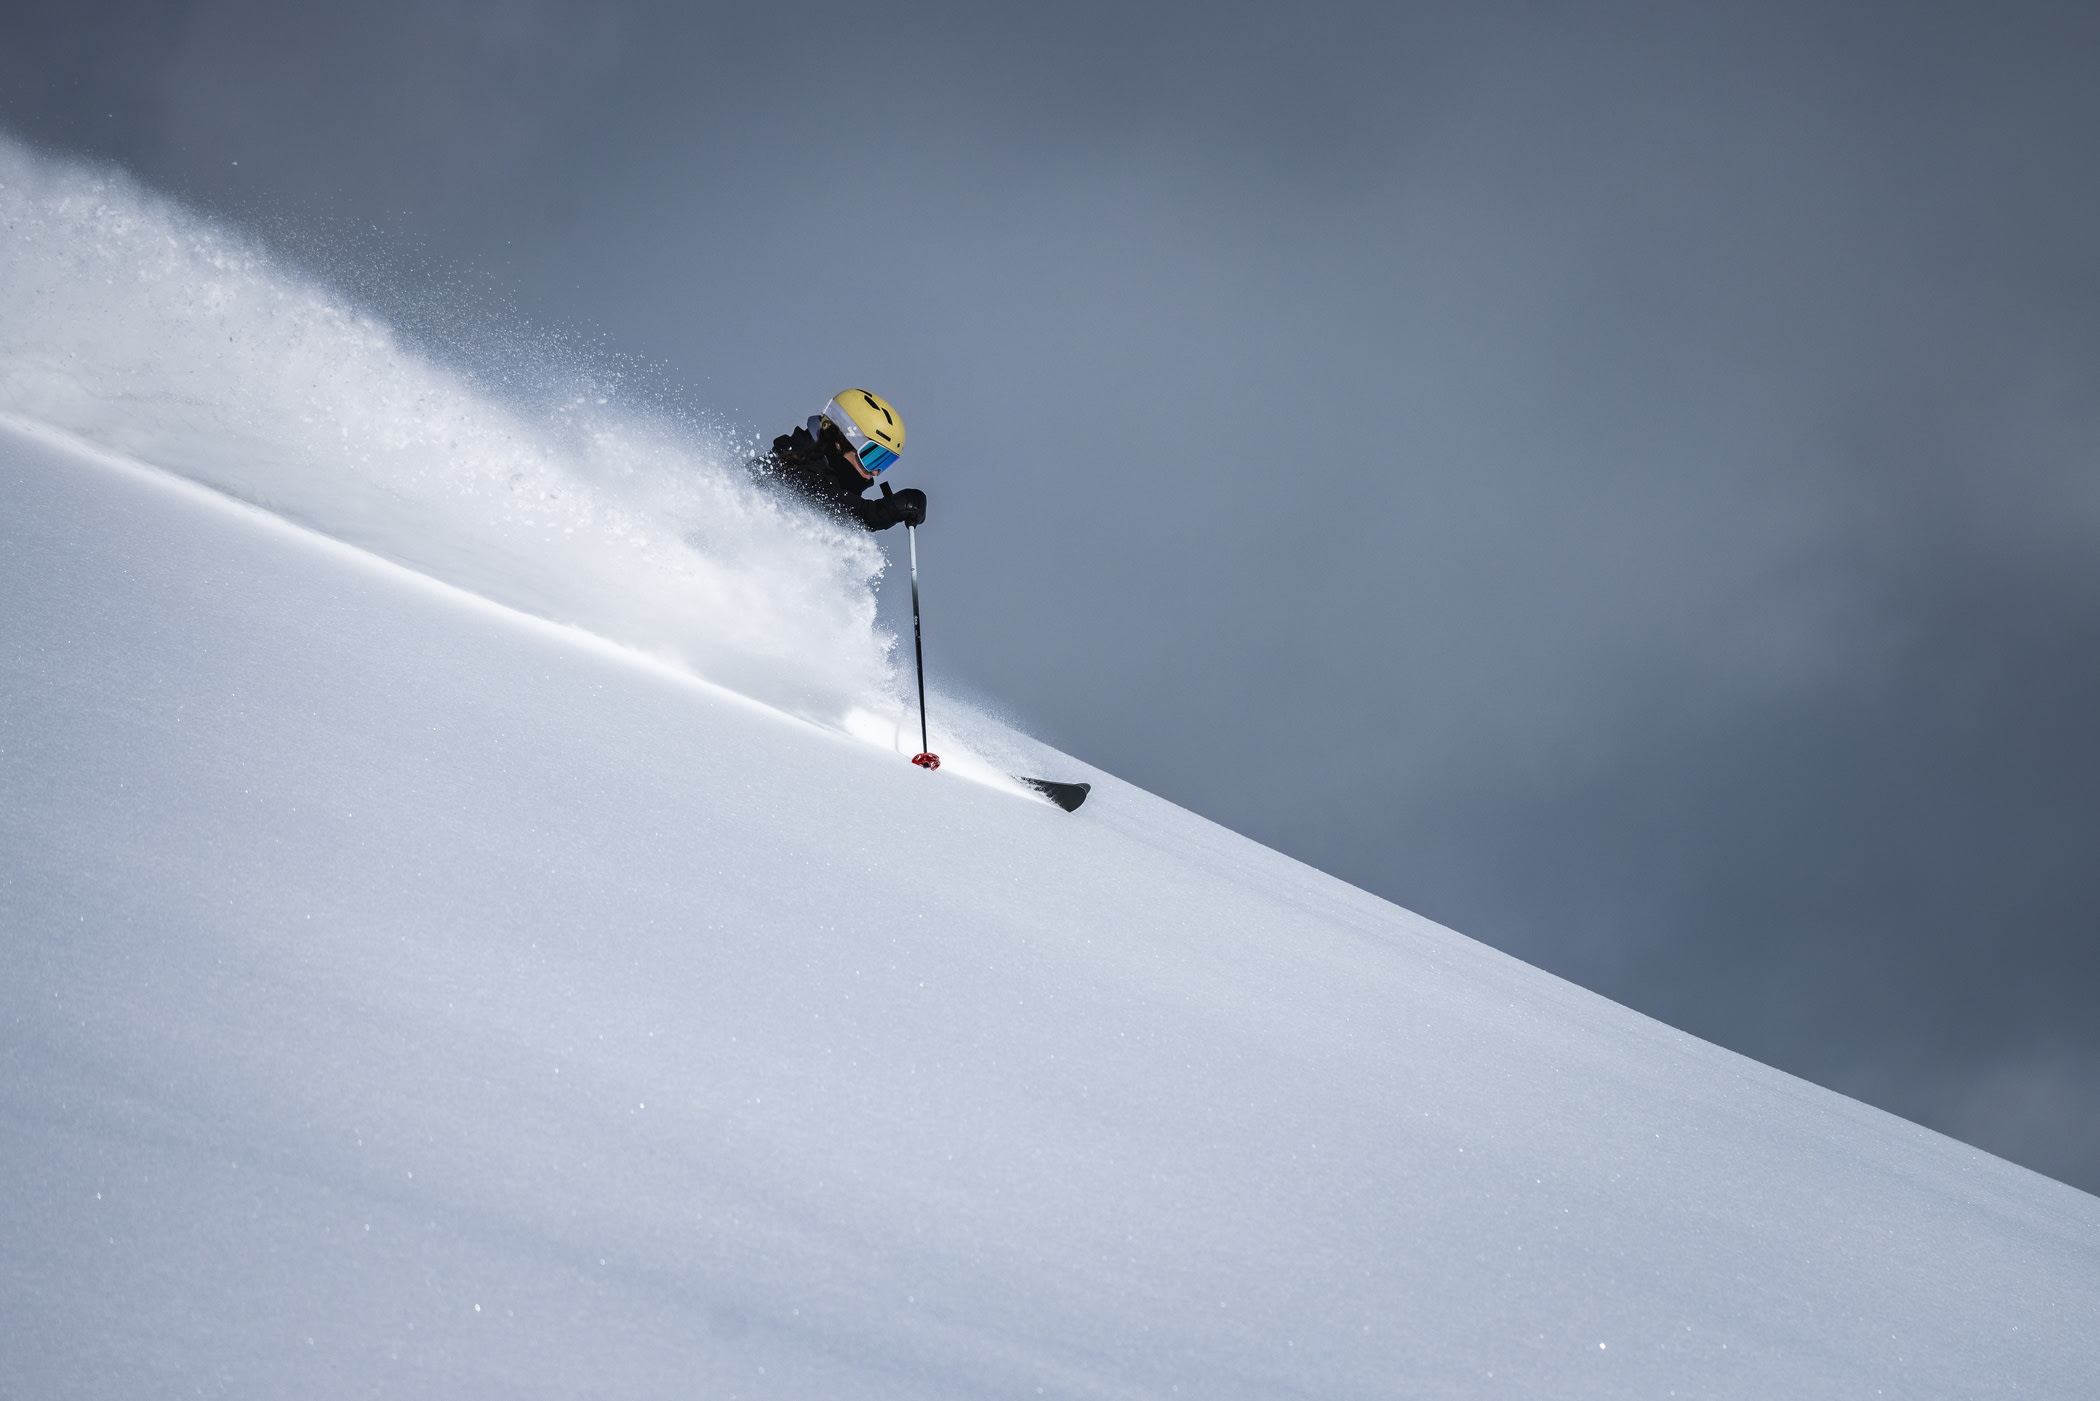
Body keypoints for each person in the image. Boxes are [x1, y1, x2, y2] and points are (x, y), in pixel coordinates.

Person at [753, 388, 927, 531]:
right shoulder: (791, 466)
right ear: (840, 442)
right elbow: (828, 501)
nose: (875, 472)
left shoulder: (824, 473)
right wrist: (884, 511)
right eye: (872, 456)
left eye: (884, 462)